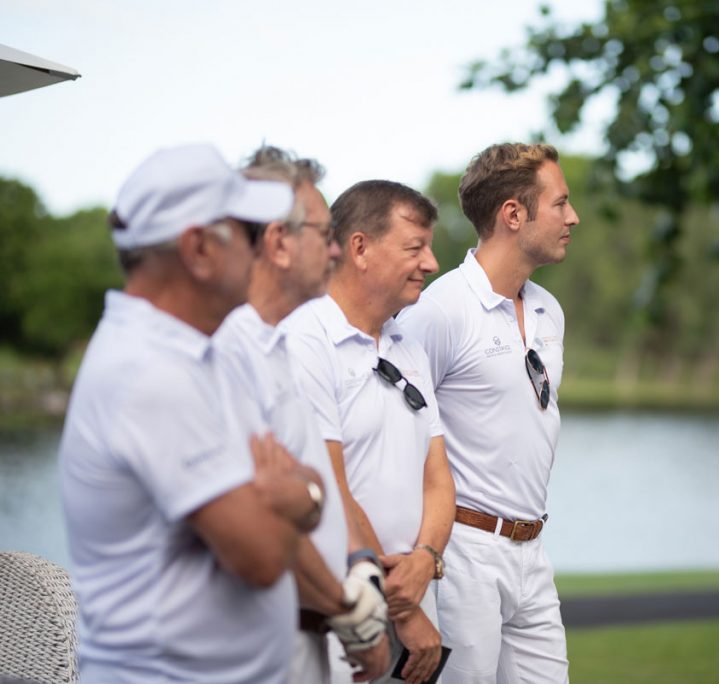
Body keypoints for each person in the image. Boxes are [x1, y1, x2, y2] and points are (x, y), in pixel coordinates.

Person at [58, 143, 325, 682]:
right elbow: (263, 558)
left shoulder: (196, 353)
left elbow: (301, 489)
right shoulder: (149, 373)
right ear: (199, 249)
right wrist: (300, 501)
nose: (260, 249)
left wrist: (301, 495)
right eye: (249, 232)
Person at [398, 143, 580, 683]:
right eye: (560, 203)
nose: (573, 217)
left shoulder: (549, 309)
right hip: (462, 556)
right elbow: (400, 440)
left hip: (532, 551)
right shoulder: (439, 311)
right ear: (513, 214)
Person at [212, 145, 391, 683]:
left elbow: (309, 491)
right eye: (323, 233)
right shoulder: (229, 351)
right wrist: (355, 618)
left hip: (303, 639)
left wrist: (357, 565)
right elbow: (266, 518)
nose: (335, 250)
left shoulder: (276, 346)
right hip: (259, 649)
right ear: (278, 243)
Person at [283, 180, 455, 684]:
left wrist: (426, 560)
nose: (431, 263)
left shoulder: (408, 346)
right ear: (359, 248)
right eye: (414, 248)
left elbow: (437, 478)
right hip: (344, 611)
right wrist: (400, 605)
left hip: (415, 599)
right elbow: (329, 484)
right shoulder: (305, 339)